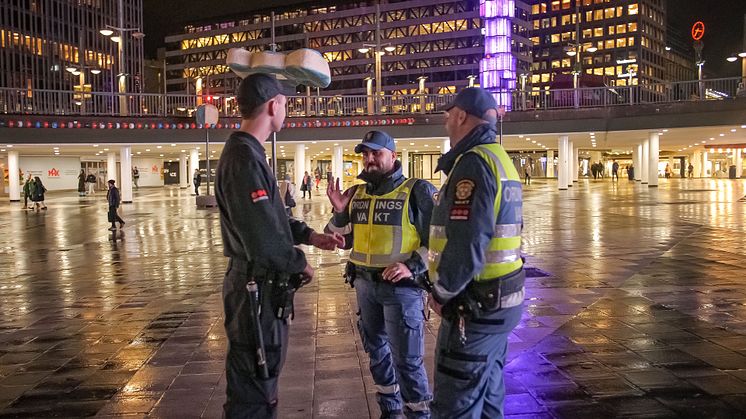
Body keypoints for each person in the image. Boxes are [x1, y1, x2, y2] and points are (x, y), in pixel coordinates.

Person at [214, 73, 344, 419]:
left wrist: (309, 235)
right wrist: (300, 262)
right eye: (286, 103)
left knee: (262, 379)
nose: (287, 109)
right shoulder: (244, 158)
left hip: (258, 289)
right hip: (255, 292)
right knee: (255, 387)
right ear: (273, 105)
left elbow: (270, 219)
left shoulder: (248, 153)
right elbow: (262, 237)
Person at [325, 130, 437, 419]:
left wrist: (411, 266)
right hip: (365, 287)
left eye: (376, 153)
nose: (369, 159)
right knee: (377, 354)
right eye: (365, 154)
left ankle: (419, 414)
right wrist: (339, 212)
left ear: (393, 156)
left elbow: (439, 241)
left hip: (402, 290)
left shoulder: (417, 191)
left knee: (407, 361)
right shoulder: (357, 194)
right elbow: (339, 240)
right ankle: (390, 410)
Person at [427, 87, 524, 419]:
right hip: (500, 300)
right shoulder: (500, 158)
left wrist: (441, 291)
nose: (445, 121)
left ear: (460, 116)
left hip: (476, 304)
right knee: (488, 396)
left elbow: (468, 241)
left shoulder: (473, 163)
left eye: (447, 114)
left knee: (455, 404)